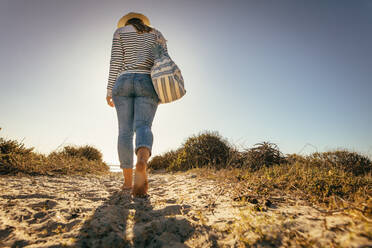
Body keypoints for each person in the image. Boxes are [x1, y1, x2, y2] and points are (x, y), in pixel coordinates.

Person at [106, 12, 167, 197]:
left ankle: (127, 183)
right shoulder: (157, 34)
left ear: (126, 22)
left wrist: (109, 90)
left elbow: (115, 62)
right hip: (147, 81)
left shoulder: (119, 33)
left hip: (122, 82)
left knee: (124, 132)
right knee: (143, 126)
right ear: (143, 22)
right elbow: (163, 61)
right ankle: (142, 160)